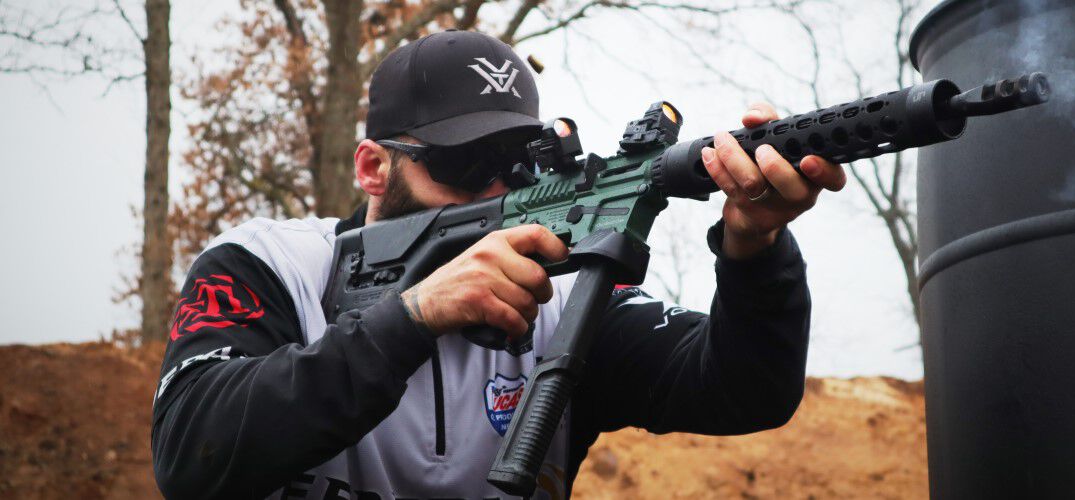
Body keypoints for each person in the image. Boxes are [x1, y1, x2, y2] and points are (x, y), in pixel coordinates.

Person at [151, 30, 845, 499]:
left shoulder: (566, 304)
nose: (492, 194)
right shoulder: (273, 266)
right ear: (371, 167)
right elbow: (192, 451)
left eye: (515, 168)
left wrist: (755, 252)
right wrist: (413, 319)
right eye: (461, 164)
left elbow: (746, 391)